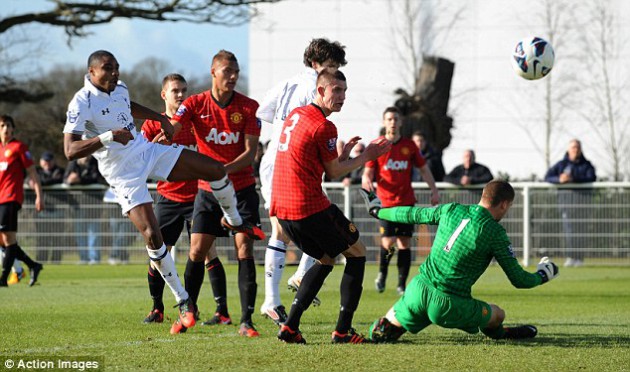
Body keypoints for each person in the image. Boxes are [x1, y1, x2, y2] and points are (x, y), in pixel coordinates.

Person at [62, 50, 264, 334]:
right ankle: (182, 299)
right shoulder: (81, 101)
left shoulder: (119, 88)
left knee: (215, 169)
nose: (115, 73)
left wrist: (160, 117)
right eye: (108, 68)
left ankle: (233, 218)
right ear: (92, 71)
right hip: (123, 173)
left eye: (117, 67)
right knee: (152, 237)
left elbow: (127, 105)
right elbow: (70, 150)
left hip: (146, 152)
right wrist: (107, 137)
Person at [272, 69, 391, 344]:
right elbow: (335, 174)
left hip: (284, 209)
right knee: (358, 252)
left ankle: (290, 327)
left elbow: (319, 161)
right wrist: (369, 155)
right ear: (320, 90)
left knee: (326, 258)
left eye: (345, 91)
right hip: (307, 206)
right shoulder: (324, 125)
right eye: (336, 90)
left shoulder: (297, 114)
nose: (342, 97)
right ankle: (343, 330)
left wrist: (343, 156)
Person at [359, 180, 560, 343]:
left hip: (417, 290)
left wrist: (378, 211)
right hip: (449, 304)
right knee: (498, 314)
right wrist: (543, 274)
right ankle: (503, 334)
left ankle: (374, 331)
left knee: (382, 331)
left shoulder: (451, 209)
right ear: (505, 204)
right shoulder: (495, 232)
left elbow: (412, 214)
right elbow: (519, 280)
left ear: (483, 195)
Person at [170, 50, 265, 337]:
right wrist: (166, 132)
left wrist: (219, 170)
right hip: (207, 193)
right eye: (227, 71)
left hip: (242, 189)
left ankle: (246, 321)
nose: (233, 76)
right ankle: (188, 312)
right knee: (197, 250)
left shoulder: (249, 107)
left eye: (236, 71)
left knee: (244, 249)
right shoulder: (195, 103)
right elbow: (175, 124)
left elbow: (250, 154)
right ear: (213, 72)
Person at [256, 38, 348, 325]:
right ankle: (272, 299)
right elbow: (314, 126)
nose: (334, 72)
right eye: (330, 66)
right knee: (285, 229)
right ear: (315, 64)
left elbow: (262, 112)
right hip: (289, 163)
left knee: (298, 223)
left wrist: (284, 130)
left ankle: (294, 280)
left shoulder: (287, 83)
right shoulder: (315, 88)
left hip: (278, 156)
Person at [362, 107, 440, 296]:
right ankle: (382, 273)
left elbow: (424, 169)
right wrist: (366, 179)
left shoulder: (409, 146)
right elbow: (368, 171)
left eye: (396, 119)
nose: (393, 122)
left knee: (405, 242)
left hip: (406, 203)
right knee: (388, 241)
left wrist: (434, 190)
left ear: (401, 122)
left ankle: (401, 284)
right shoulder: (377, 145)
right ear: (384, 122)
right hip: (386, 204)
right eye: (389, 119)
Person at [140, 73, 197, 324]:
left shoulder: (194, 122)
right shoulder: (153, 124)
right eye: (175, 91)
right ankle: (157, 308)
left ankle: (213, 310)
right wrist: (152, 147)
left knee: (204, 253)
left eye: (184, 90)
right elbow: (140, 160)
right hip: (168, 196)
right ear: (164, 94)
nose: (181, 95)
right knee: (158, 254)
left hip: (197, 198)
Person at [0, 114, 44, 287]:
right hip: (0, 199)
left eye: (8, 126)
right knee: (6, 240)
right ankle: (33, 265)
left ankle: (4, 278)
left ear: (13, 128)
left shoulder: (19, 147)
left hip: (11, 198)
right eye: (2, 126)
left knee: (8, 239)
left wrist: (39, 195)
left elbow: (33, 173)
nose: (5, 129)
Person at [544, 139, 596, 267]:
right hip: (566, 204)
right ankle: (570, 257)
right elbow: (547, 177)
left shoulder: (586, 165)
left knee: (581, 232)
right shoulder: (561, 164)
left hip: (583, 204)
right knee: (569, 232)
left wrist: (573, 180)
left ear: (580, 149)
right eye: (573, 147)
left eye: (577, 147)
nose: (575, 149)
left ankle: (579, 259)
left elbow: (591, 177)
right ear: (568, 149)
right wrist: (559, 179)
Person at [64, 154, 105, 264]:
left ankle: (94, 258)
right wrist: (69, 180)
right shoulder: (73, 163)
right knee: (80, 233)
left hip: (94, 205)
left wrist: (79, 180)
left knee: (94, 233)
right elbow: (65, 179)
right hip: (78, 205)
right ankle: (83, 258)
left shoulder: (96, 162)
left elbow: (97, 178)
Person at [32, 151, 65, 265]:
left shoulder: (60, 171)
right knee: (42, 239)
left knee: (57, 240)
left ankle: (56, 262)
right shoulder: (36, 171)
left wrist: (39, 183)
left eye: (49, 160)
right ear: (41, 162)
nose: (47, 163)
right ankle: (41, 261)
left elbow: (59, 179)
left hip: (58, 212)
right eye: (45, 161)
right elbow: (29, 181)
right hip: (42, 212)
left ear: (53, 161)